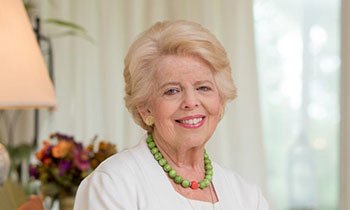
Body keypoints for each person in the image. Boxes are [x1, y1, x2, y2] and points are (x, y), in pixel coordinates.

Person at [74, 20, 269, 210]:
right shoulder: (112, 185)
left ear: (221, 100)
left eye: (203, 87)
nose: (191, 102)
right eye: (172, 91)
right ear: (145, 108)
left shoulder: (247, 196)